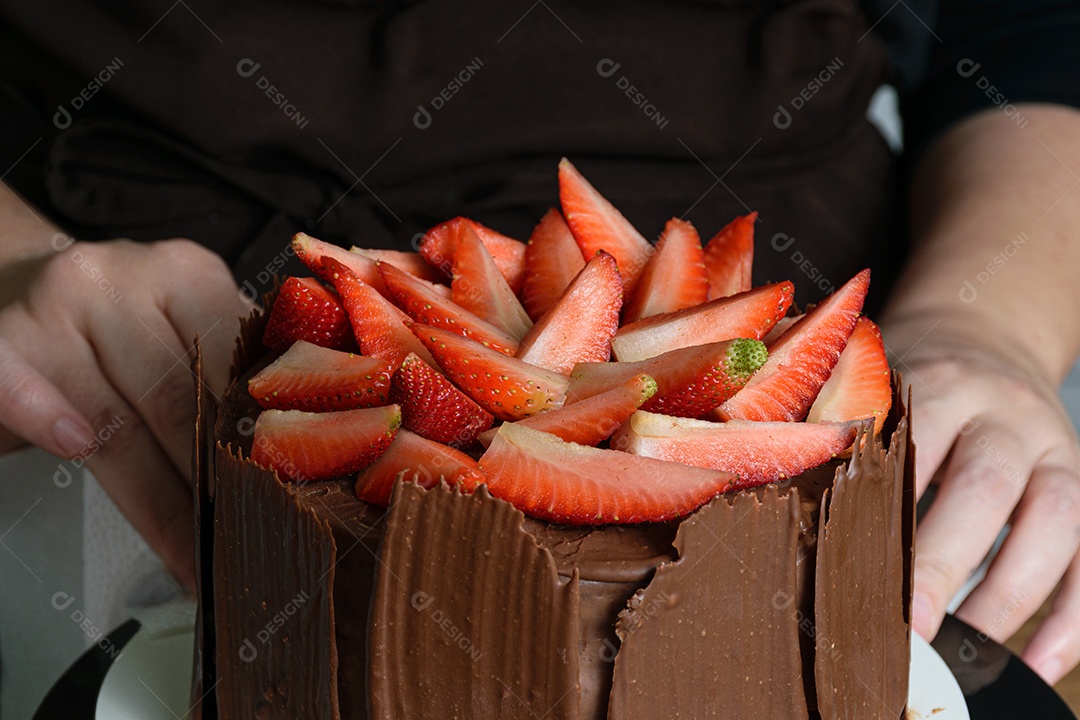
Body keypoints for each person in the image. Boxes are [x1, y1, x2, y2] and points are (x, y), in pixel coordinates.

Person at [1, 0, 1079, 687]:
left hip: (799, 366)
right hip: (127, 364)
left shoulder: (760, 372)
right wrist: (15, 261)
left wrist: (985, 319)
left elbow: (1027, 29)